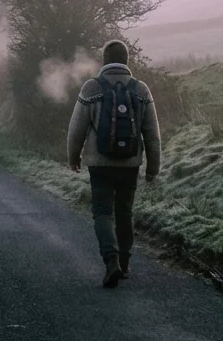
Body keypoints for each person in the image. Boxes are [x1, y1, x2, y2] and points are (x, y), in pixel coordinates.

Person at [66, 39, 161, 288]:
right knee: (125, 213)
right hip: (130, 165)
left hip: (99, 164)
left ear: (105, 60)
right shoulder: (141, 90)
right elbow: (152, 134)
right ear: (127, 60)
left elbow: (76, 129)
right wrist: (153, 167)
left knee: (102, 212)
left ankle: (111, 262)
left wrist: (73, 157)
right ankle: (125, 263)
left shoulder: (91, 88)